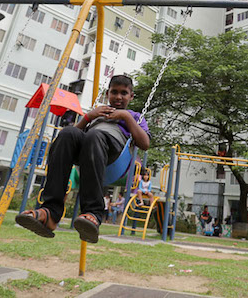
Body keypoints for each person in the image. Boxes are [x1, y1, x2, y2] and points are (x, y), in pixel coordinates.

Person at [16, 75, 150, 243]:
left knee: (95, 135)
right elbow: (75, 135)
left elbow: (145, 144)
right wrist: (89, 117)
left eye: (124, 93)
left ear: (131, 96)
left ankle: (93, 212)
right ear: (108, 93)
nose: (118, 97)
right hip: (89, 151)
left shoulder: (134, 116)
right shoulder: (99, 112)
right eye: (114, 92)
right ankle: (50, 211)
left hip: (115, 153)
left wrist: (126, 117)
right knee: (66, 133)